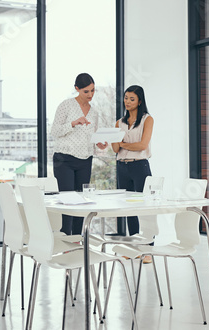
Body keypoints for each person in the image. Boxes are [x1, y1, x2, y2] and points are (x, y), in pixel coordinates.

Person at [51, 73, 108, 235]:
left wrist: (100, 143)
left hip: (85, 159)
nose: (90, 95)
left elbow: (92, 135)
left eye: (92, 91)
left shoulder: (94, 112)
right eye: (86, 91)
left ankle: (77, 240)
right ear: (77, 89)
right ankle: (65, 240)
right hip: (65, 159)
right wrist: (73, 123)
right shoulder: (66, 105)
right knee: (68, 202)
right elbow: (54, 131)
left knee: (81, 203)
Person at [112, 85, 154, 261]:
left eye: (131, 99)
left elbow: (142, 145)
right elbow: (115, 148)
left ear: (139, 101)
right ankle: (135, 249)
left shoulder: (147, 120)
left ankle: (148, 250)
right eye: (126, 98)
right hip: (122, 167)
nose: (127, 102)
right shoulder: (119, 122)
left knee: (144, 208)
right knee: (130, 208)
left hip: (140, 166)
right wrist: (118, 143)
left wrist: (123, 144)